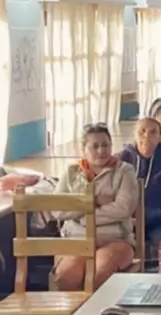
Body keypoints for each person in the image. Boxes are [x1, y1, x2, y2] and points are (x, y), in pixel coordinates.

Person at [53, 123, 138, 291]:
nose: (101, 151)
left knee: (100, 271)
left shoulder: (124, 171)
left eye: (105, 145)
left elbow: (123, 208)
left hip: (115, 239)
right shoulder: (71, 172)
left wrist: (83, 216)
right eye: (95, 146)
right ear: (83, 149)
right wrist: (93, 201)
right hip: (76, 240)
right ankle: (78, 309)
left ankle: (97, 308)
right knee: (68, 274)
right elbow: (57, 209)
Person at [118, 117, 161, 253]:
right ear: (135, 135)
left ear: (160, 136)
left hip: (160, 221)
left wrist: (156, 216)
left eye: (153, 132)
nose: (147, 136)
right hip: (127, 220)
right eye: (142, 131)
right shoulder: (122, 158)